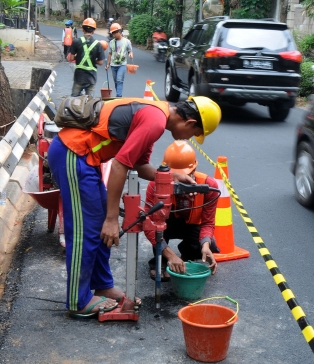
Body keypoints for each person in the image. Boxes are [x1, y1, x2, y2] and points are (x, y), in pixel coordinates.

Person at [47, 96, 221, 318]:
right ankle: (78, 301)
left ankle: (102, 285)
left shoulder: (157, 117)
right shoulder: (155, 120)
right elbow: (120, 165)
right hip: (73, 154)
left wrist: (173, 175)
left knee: (97, 228)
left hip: (85, 159)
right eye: (194, 134)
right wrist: (112, 218)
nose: (190, 138)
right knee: (86, 231)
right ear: (190, 123)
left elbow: (138, 166)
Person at [144, 140, 220, 280]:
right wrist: (171, 255)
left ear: (194, 170)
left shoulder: (208, 186)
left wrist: (205, 245)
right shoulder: (155, 186)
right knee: (158, 226)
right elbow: (149, 225)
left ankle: (187, 257)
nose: (179, 181)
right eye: (174, 177)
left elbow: (208, 223)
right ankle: (161, 260)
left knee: (208, 243)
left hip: (191, 226)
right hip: (166, 226)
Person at [68, 18, 105, 97]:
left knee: (74, 99)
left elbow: (71, 58)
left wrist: (78, 57)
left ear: (83, 29)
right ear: (93, 31)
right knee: (89, 102)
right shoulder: (98, 44)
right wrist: (93, 60)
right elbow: (101, 62)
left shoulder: (76, 41)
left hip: (79, 77)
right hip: (91, 78)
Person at [105, 23, 133, 98]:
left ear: (119, 32)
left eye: (114, 33)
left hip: (122, 64)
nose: (113, 35)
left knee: (119, 80)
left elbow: (130, 51)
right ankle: (118, 94)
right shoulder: (111, 43)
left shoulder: (127, 42)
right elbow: (110, 54)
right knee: (116, 81)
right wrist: (108, 64)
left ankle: (118, 96)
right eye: (112, 33)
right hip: (113, 65)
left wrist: (130, 54)